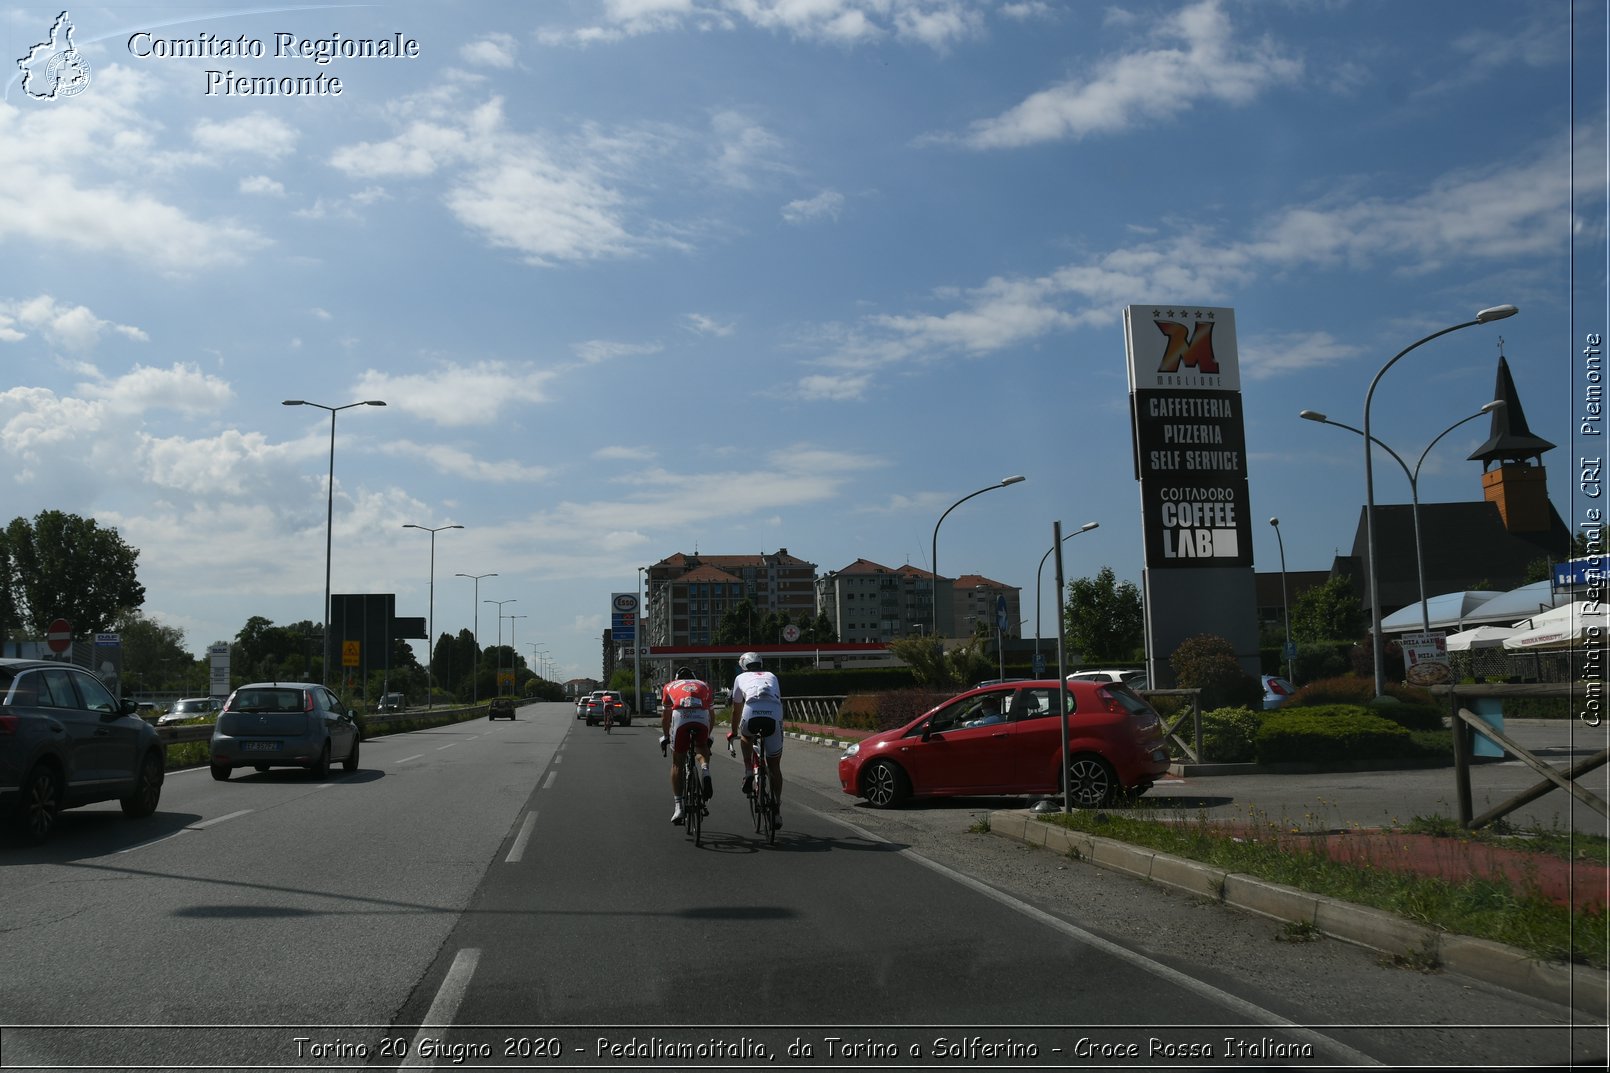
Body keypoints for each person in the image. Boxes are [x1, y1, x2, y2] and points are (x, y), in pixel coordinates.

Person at [726, 651, 785, 828]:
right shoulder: (772, 676)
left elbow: (736, 710)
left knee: (746, 736)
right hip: (774, 714)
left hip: (751, 712)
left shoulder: (740, 678)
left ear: (743, 665)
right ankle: (776, 809)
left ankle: (749, 772)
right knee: (774, 765)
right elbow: (778, 700)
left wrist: (733, 731)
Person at [659, 665, 714, 825]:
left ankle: (679, 808)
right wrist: (708, 736)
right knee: (701, 747)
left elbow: (666, 717)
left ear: (677, 678)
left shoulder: (669, 686)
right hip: (701, 716)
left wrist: (665, 736)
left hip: (681, 717)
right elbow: (711, 714)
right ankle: (705, 770)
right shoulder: (704, 685)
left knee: (677, 763)